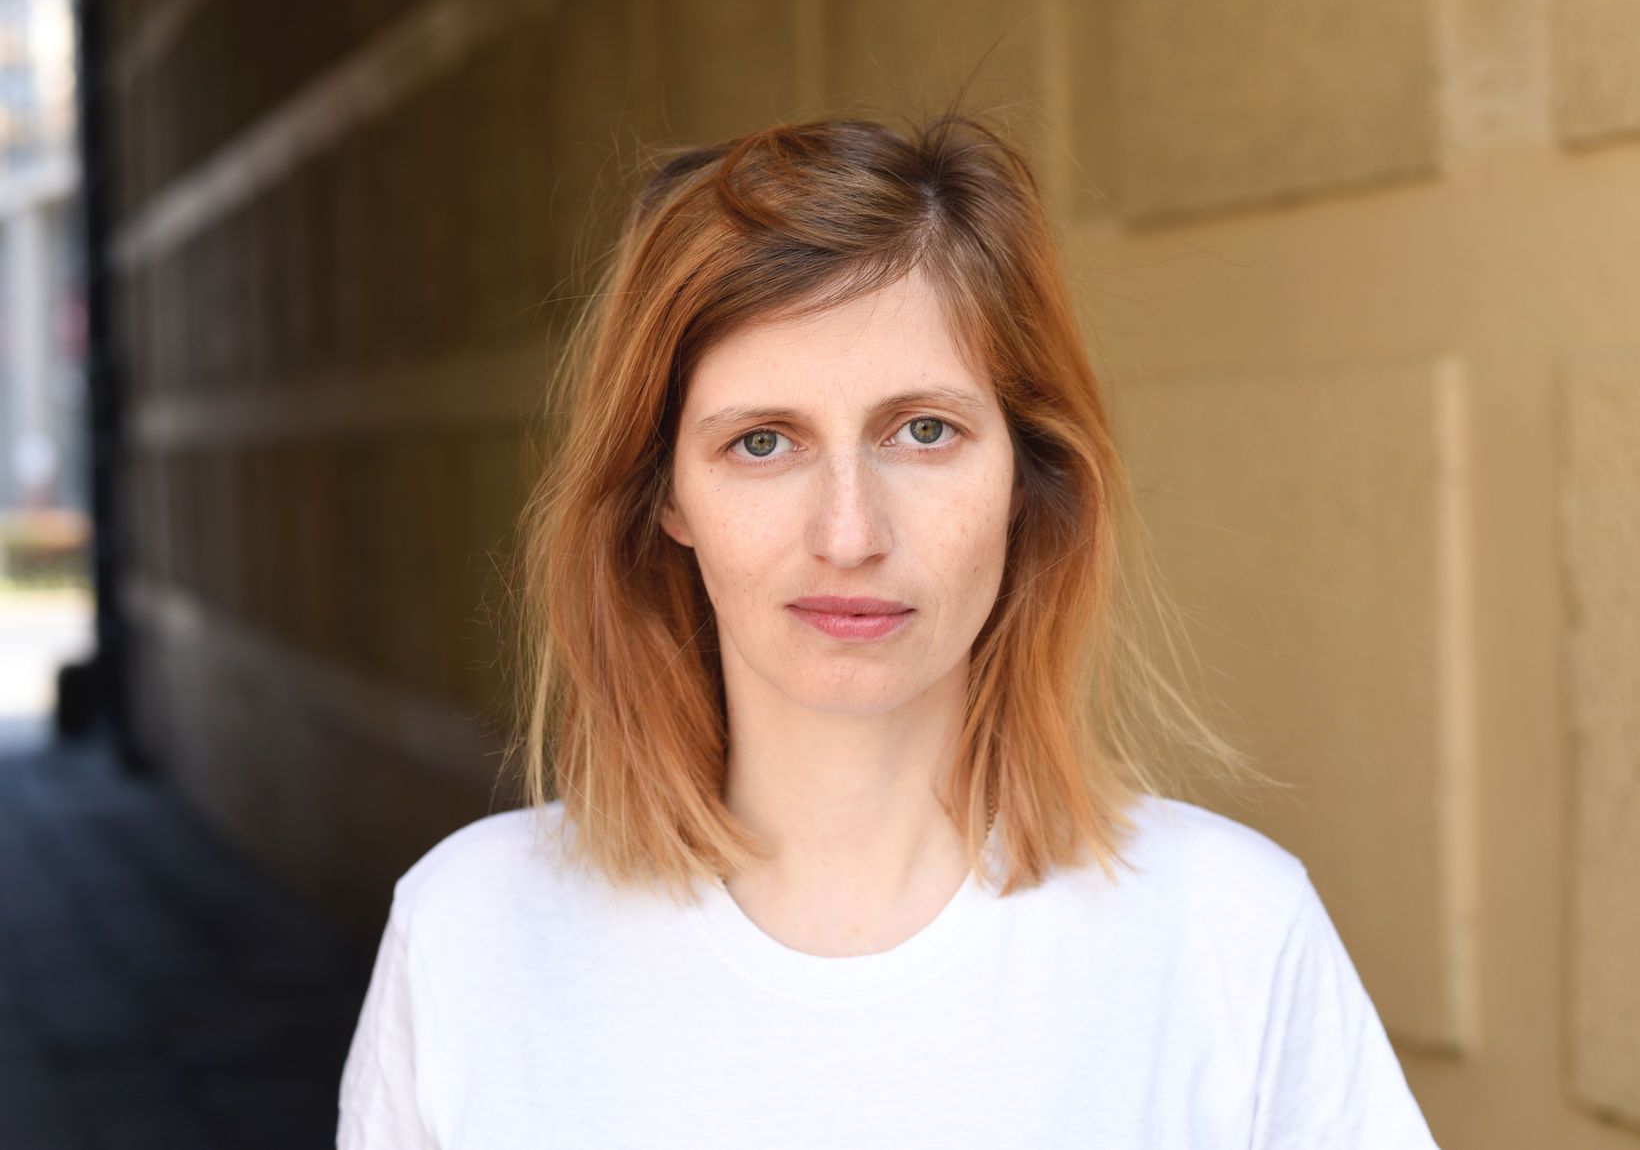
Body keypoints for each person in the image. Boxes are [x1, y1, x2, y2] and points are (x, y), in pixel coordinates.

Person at [336, 106, 1443, 1149]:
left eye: (922, 430)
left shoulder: (1229, 936)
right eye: (762, 442)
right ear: (665, 493)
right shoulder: (473, 938)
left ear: (1026, 475)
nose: (850, 533)